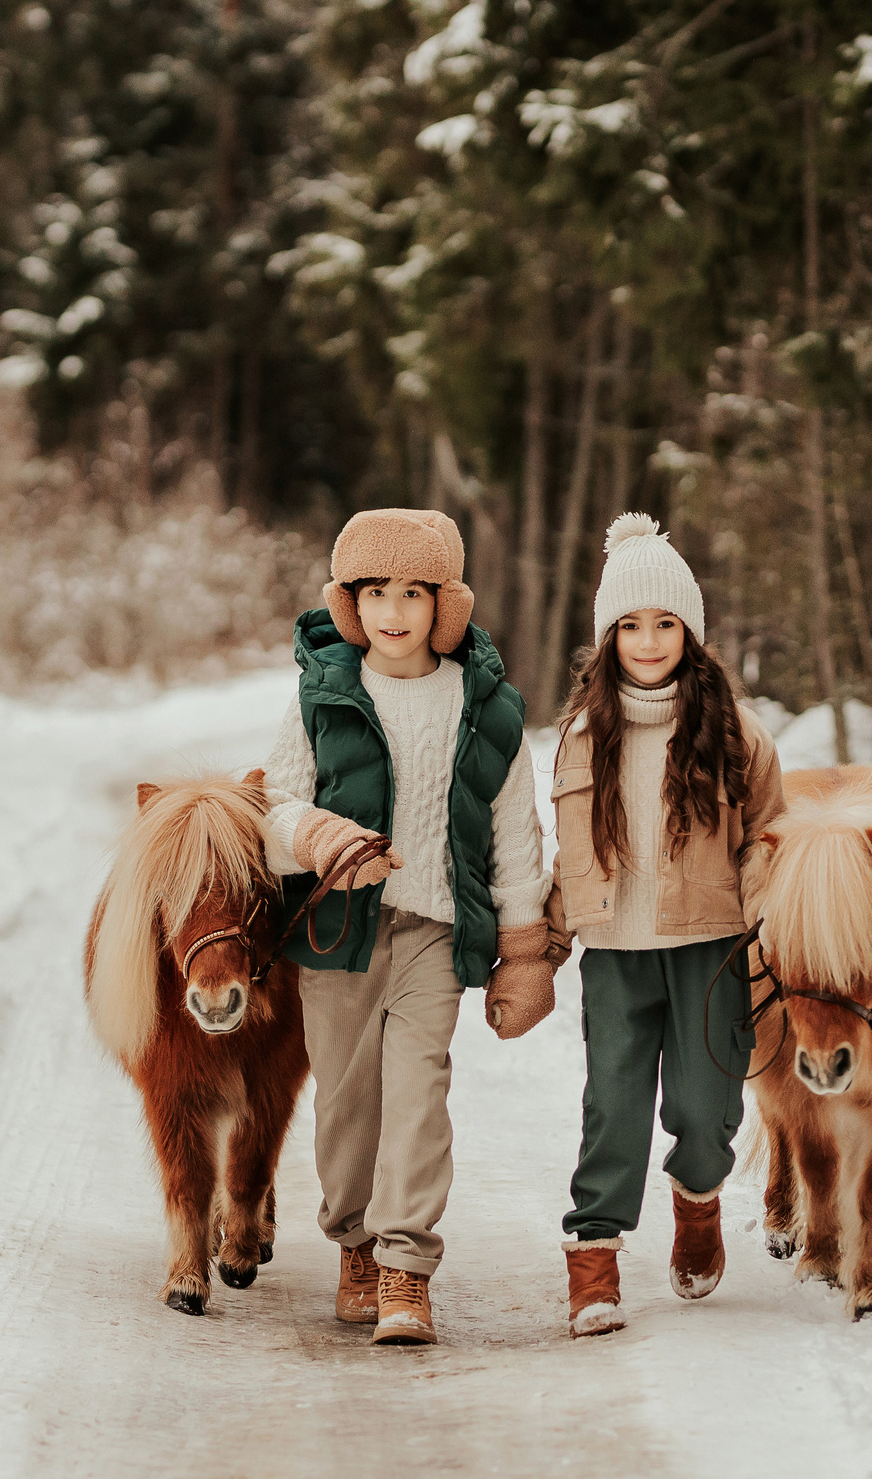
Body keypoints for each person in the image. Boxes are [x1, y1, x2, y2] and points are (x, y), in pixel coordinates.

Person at [259, 508, 560, 1347]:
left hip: (433, 931)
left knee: (420, 1093)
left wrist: (525, 950)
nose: (394, 610)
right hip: (338, 932)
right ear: (349, 601)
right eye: (375, 591)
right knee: (348, 1104)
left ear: (445, 604)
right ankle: (354, 1239)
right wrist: (317, 835)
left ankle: (404, 1264)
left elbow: (513, 834)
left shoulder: (485, 706)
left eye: (413, 592)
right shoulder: (325, 693)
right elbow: (275, 805)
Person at [535, 512, 784, 1337]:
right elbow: (566, 860)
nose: (648, 640)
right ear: (609, 635)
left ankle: (699, 1195)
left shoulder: (739, 737)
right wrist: (538, 948)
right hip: (614, 953)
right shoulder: (577, 737)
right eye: (631, 625)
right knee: (613, 1107)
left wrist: (767, 904)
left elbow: (769, 839)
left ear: (691, 632)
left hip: (709, 949)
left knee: (708, 1111)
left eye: (665, 623)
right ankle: (594, 1258)